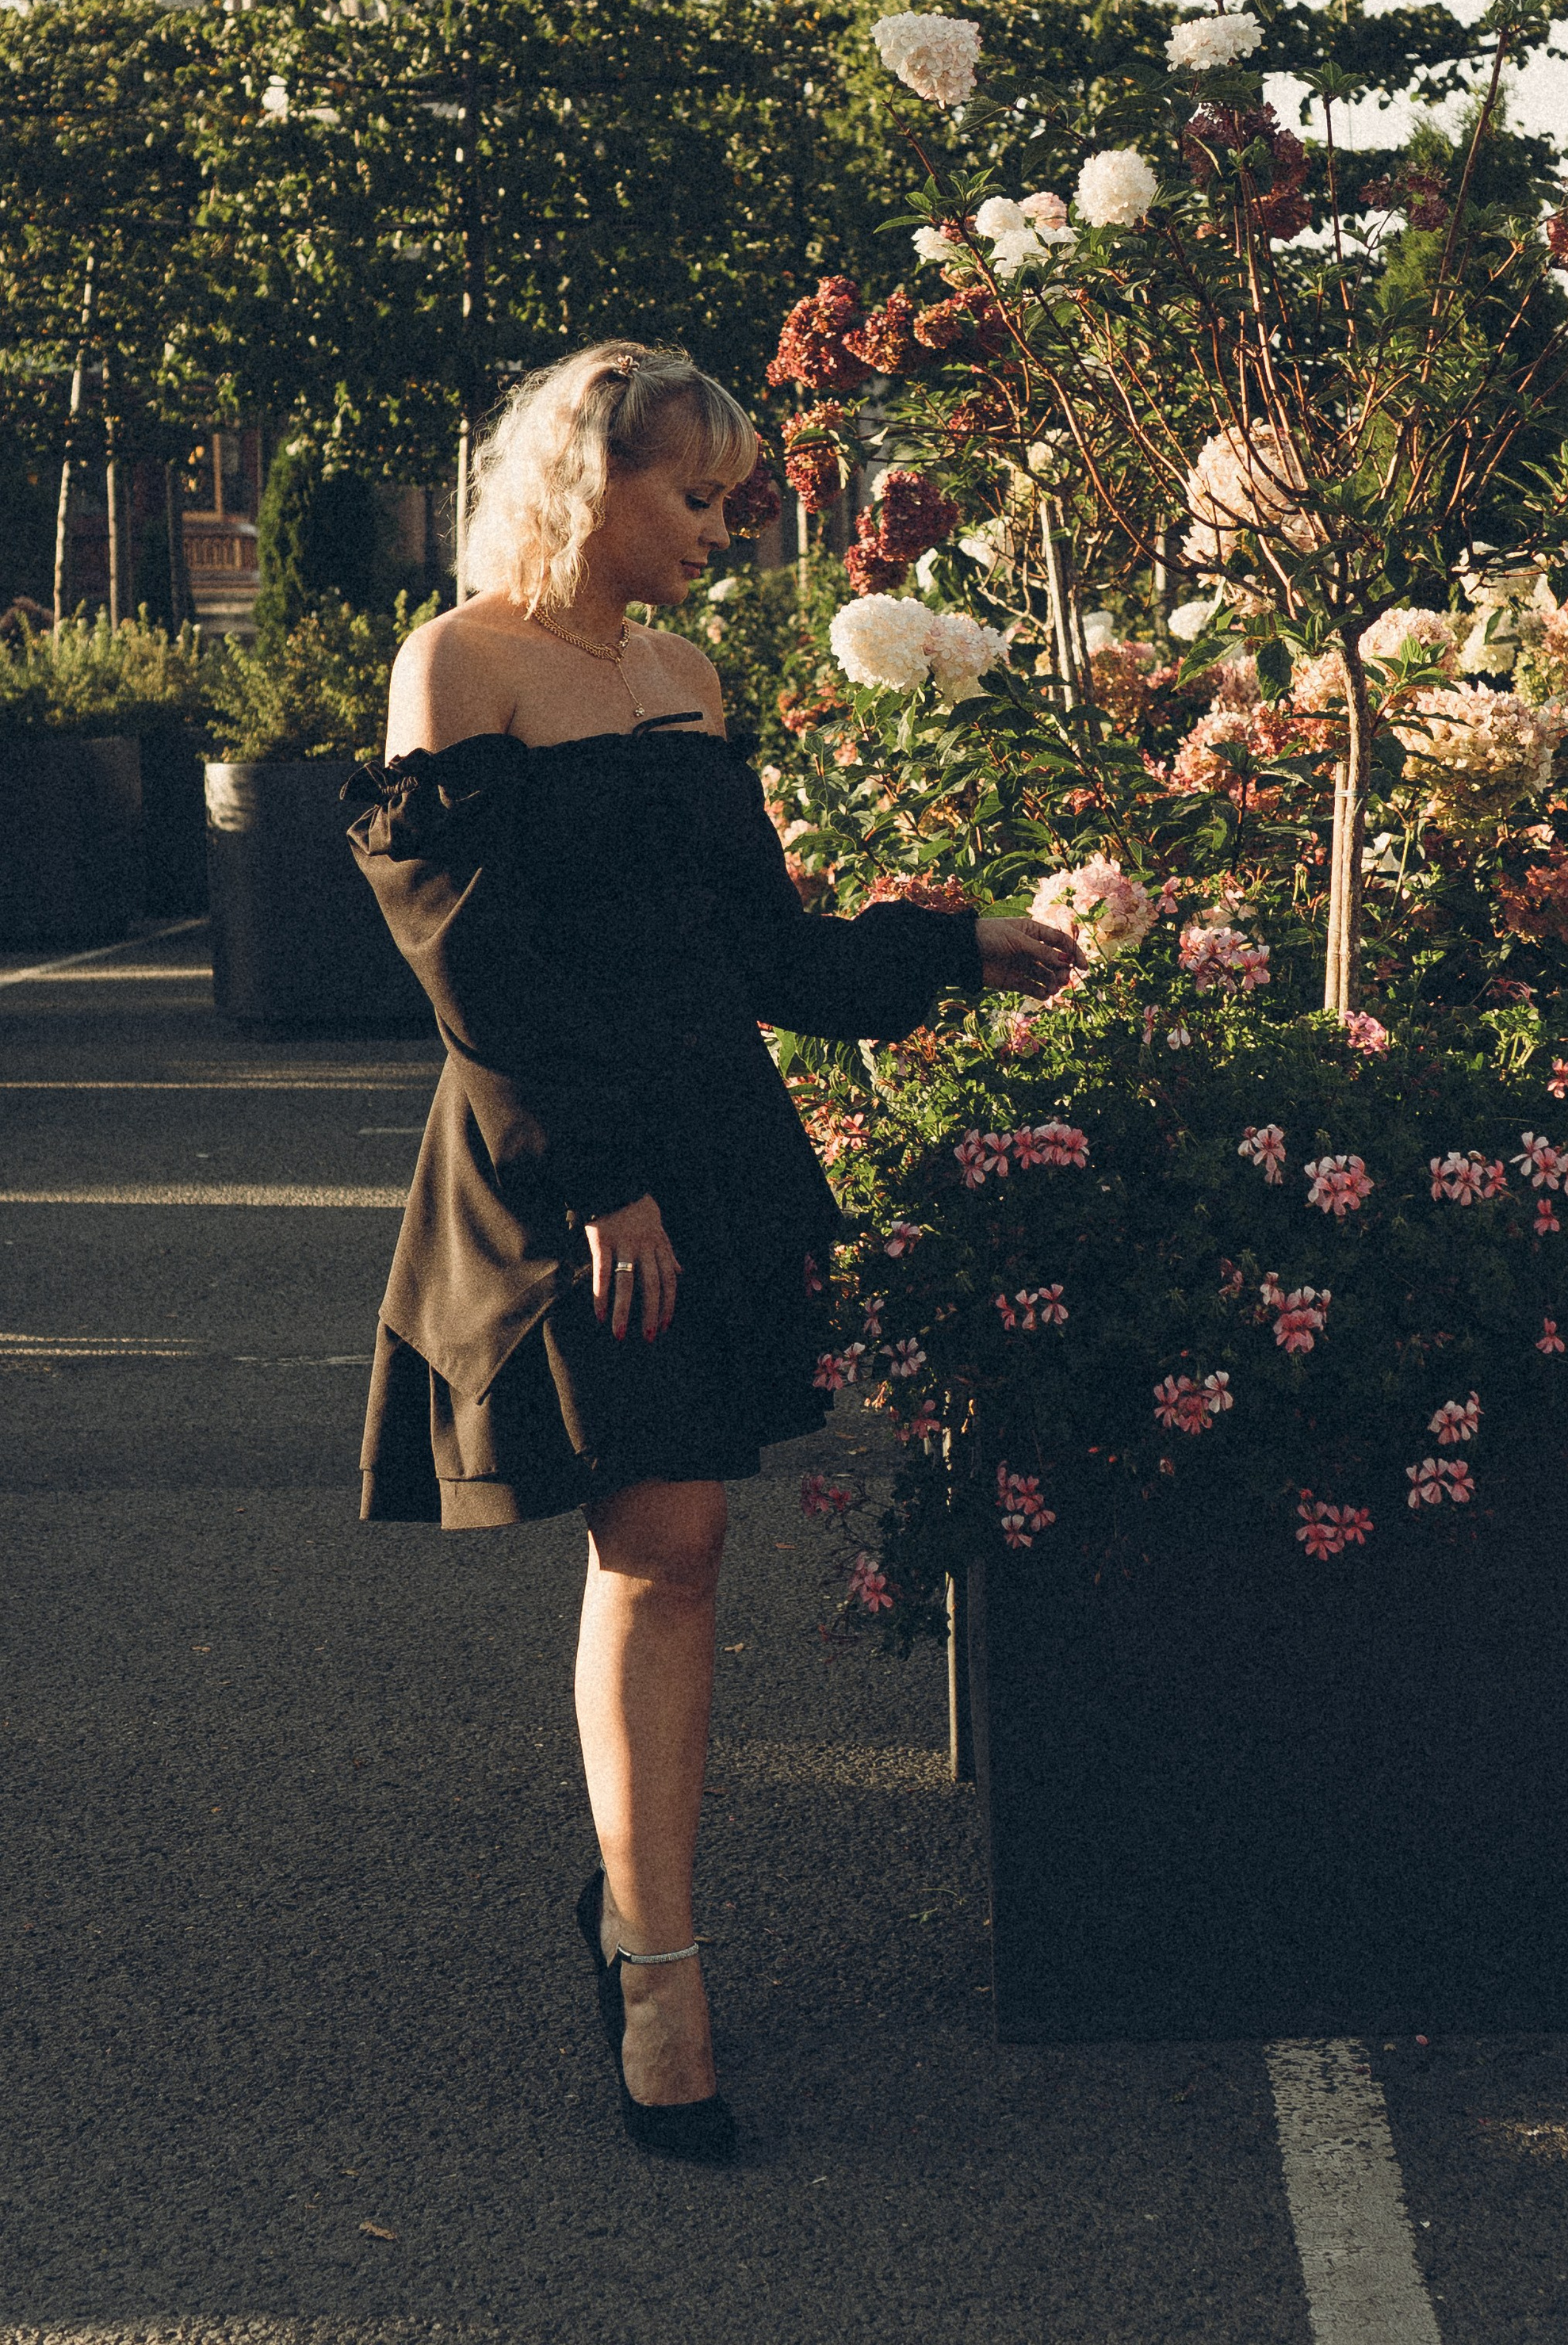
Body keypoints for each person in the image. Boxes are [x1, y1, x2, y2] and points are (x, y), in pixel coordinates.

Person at [342, 341, 1079, 2162]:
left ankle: (632, 1928)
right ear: (585, 486)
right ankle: (660, 1972)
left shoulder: (684, 675)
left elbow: (755, 950)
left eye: (732, 498)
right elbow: (472, 964)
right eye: (696, 496)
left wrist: (953, 940)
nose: (723, 531)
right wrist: (601, 1185)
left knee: (685, 1541)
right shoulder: (460, 662)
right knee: (657, 1535)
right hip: (564, 1159)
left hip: (713, 1147)